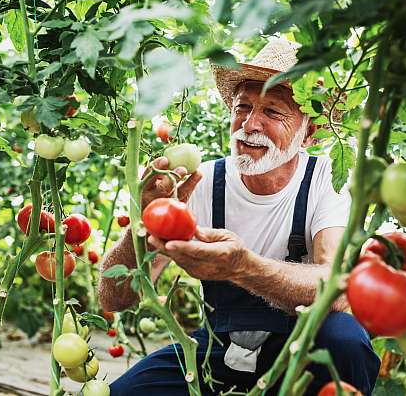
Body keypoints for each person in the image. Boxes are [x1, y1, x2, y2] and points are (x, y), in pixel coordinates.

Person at [98, 38, 380, 395]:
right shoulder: (199, 183)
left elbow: (338, 288)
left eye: (273, 112)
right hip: (219, 347)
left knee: (345, 339)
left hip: (301, 352)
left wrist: (242, 267)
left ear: (309, 133)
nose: (250, 124)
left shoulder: (327, 179)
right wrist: (142, 223)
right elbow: (116, 299)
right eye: (242, 107)